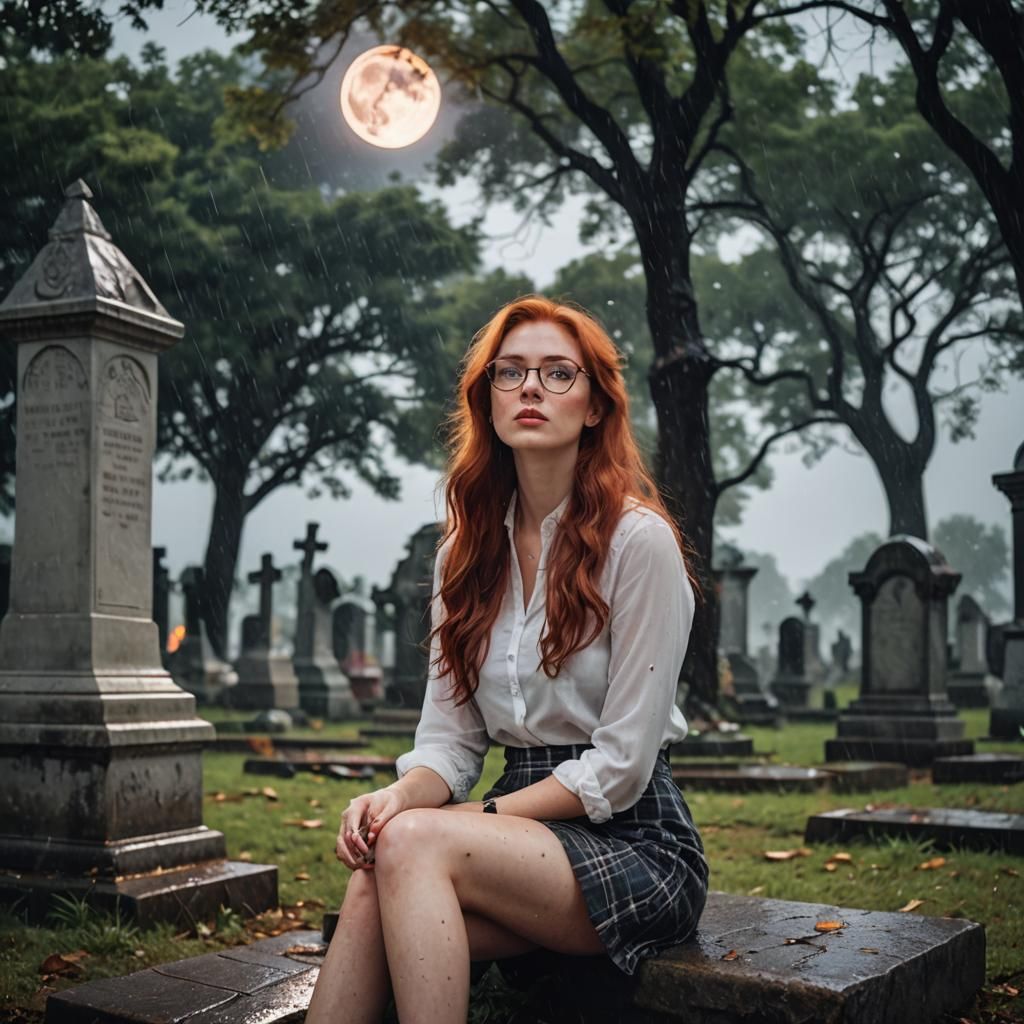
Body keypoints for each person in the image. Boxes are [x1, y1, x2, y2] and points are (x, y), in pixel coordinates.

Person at [305, 296, 709, 1024]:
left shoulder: (637, 542)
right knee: (377, 868)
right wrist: (395, 801)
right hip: (513, 843)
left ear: (594, 407)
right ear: (486, 399)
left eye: (559, 373)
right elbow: (451, 741)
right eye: (511, 372)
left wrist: (478, 818)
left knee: (417, 843)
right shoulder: (464, 553)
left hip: (637, 840)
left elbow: (621, 767)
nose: (530, 388)